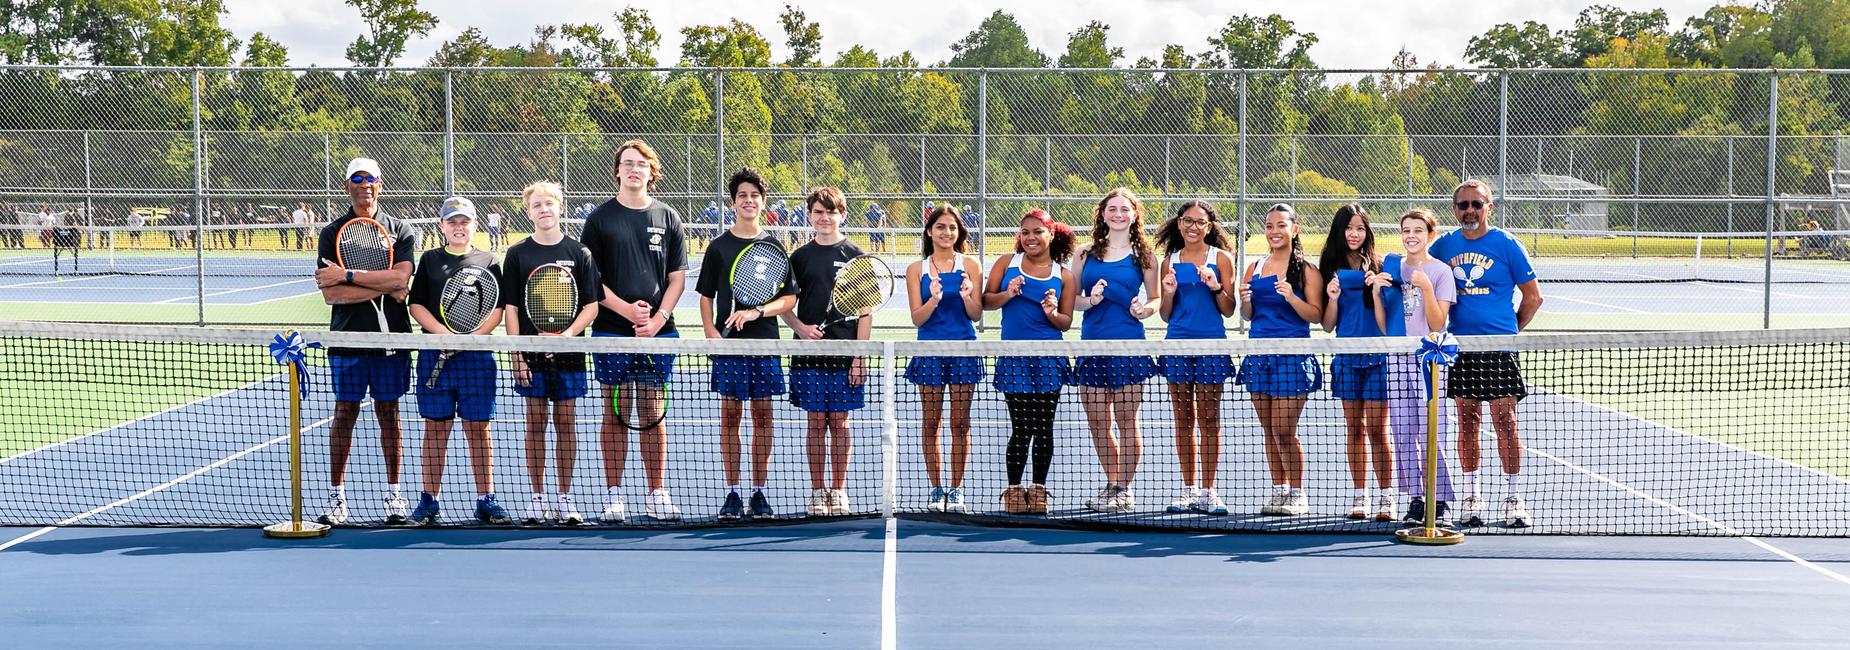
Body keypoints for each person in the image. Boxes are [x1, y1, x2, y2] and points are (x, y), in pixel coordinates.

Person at [583, 139, 689, 522]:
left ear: (651, 171)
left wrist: (658, 319)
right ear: (617, 171)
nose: (633, 169)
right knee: (614, 412)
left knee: (652, 412)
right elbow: (590, 278)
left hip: (659, 335)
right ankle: (614, 495)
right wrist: (626, 310)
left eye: (641, 164)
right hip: (611, 330)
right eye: (627, 163)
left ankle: (656, 492)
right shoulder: (599, 219)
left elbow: (676, 279)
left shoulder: (668, 217)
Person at [1430, 179, 1543, 528]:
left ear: (1489, 207)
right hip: (1460, 350)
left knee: (1505, 423)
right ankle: (1472, 495)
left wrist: (1509, 333)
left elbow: (1533, 297)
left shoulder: (1508, 245)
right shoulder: (1443, 247)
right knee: (1467, 423)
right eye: (1463, 205)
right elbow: (1420, 278)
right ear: (1455, 210)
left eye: (1477, 204)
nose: (1470, 211)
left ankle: (1512, 498)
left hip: (1498, 351)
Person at [312, 157, 418, 526]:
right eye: (357, 179)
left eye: (370, 178)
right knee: (345, 413)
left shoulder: (401, 230)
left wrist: (351, 276)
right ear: (347, 187)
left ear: (380, 184)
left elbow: (401, 281)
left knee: (389, 414)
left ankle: (394, 496)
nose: (364, 185)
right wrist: (382, 283)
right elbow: (331, 294)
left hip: (393, 341)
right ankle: (337, 498)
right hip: (347, 338)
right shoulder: (331, 232)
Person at [698, 168, 798, 521]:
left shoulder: (773, 246)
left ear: (762, 202)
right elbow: (705, 296)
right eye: (742, 195)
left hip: (765, 343)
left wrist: (757, 311)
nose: (749, 201)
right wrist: (711, 332)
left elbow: (788, 299)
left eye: (754, 196)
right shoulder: (719, 247)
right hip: (729, 349)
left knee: (762, 417)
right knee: (729, 417)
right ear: (733, 202)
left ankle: (759, 491)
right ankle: (733, 492)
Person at [404, 197, 509, 526]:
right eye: (452, 222)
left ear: (474, 225)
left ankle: (486, 499)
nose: (459, 227)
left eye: (464, 221)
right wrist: (440, 335)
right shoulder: (430, 261)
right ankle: (429, 500)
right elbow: (416, 304)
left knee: (479, 429)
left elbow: (498, 309)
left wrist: (472, 337)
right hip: (436, 356)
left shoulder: (489, 261)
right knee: (435, 429)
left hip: (476, 360)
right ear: (442, 226)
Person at [502, 182, 602, 526]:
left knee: (565, 424)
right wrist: (517, 354)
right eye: (536, 205)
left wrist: (567, 336)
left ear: (560, 208)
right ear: (528, 212)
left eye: (549, 204)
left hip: (569, 355)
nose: (543, 209)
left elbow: (591, 307)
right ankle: (537, 497)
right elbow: (511, 308)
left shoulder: (580, 253)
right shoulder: (517, 254)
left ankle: (564, 497)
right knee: (535, 424)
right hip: (529, 355)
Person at [782, 186, 872, 517]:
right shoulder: (800, 257)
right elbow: (784, 305)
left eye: (831, 212)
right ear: (809, 215)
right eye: (818, 212)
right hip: (808, 356)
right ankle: (818, 491)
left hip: (845, 355)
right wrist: (800, 329)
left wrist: (859, 357)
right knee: (816, 422)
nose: (825, 217)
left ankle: (839, 490)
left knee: (840, 422)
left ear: (842, 215)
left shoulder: (856, 255)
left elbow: (866, 310)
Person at [1071, 188, 1161, 513]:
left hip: (1129, 347)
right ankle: (1114, 485)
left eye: (1125, 209)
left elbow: (1155, 299)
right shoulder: (1083, 254)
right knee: (1098, 421)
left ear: (1135, 214)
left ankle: (1124, 488)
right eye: (1112, 209)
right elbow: (1072, 300)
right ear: (1103, 214)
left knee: (1126, 420)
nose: (1118, 214)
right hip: (1092, 346)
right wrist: (1091, 300)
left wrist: (1144, 311)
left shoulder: (1145, 256)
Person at [982, 209, 1076, 515]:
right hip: (1015, 358)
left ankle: (1038, 490)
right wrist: (1008, 293)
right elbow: (986, 301)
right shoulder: (1005, 263)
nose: (1031, 237)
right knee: (1021, 427)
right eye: (1025, 232)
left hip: (1049, 359)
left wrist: (1051, 312)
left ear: (1051, 234)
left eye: (1037, 231)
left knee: (1044, 427)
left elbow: (1065, 322)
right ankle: (1013, 490)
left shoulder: (1064, 275)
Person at [1238, 203, 1325, 516]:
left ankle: (1298, 493)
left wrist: (1291, 296)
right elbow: (1247, 315)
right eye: (1269, 225)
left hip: (1293, 356)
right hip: (1259, 356)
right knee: (1268, 430)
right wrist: (1245, 301)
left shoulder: (1308, 271)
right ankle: (1279, 490)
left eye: (1281, 225)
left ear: (1294, 229)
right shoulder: (1254, 266)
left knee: (1283, 429)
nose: (1274, 231)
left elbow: (1315, 315)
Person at [1377, 209, 1460, 526]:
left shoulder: (1440, 272)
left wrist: (1425, 287)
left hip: (1430, 361)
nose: (1411, 235)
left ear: (1430, 235)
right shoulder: (1392, 268)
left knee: (1432, 430)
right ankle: (1415, 498)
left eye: (1418, 230)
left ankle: (1438, 500)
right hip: (1396, 357)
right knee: (1402, 430)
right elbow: (1385, 326)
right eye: (1406, 230)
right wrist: (1375, 292)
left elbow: (1439, 323)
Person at [1154, 201, 1236, 516]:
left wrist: (1215, 287)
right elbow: (1165, 314)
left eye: (1199, 222)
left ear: (1209, 226)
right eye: (1187, 220)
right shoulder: (1170, 262)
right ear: (1179, 224)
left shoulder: (1221, 259)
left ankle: (1208, 491)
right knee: (1183, 419)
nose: (1192, 227)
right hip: (1177, 346)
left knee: (1209, 418)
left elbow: (1229, 310)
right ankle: (1187, 489)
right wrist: (1170, 291)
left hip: (1211, 347)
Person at [1317, 204, 1395, 522]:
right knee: (1355, 430)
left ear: (1368, 232)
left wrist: (1376, 287)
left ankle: (1386, 498)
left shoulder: (1380, 264)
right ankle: (1359, 495)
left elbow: (1387, 322)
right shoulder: (1329, 267)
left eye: (1360, 228)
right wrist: (1333, 296)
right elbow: (1325, 324)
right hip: (1347, 359)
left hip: (1378, 358)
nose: (1354, 234)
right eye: (1349, 228)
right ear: (1339, 231)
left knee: (1378, 429)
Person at [905, 204, 984, 513]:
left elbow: (976, 314)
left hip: (964, 349)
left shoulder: (971, 265)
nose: (946, 232)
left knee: (960, 423)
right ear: (929, 231)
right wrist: (935, 299)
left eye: (952, 227)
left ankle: (956, 489)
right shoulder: (917, 269)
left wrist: (966, 296)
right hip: (930, 352)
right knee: (931, 422)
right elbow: (917, 319)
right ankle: (936, 488)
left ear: (958, 232)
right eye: (940, 227)